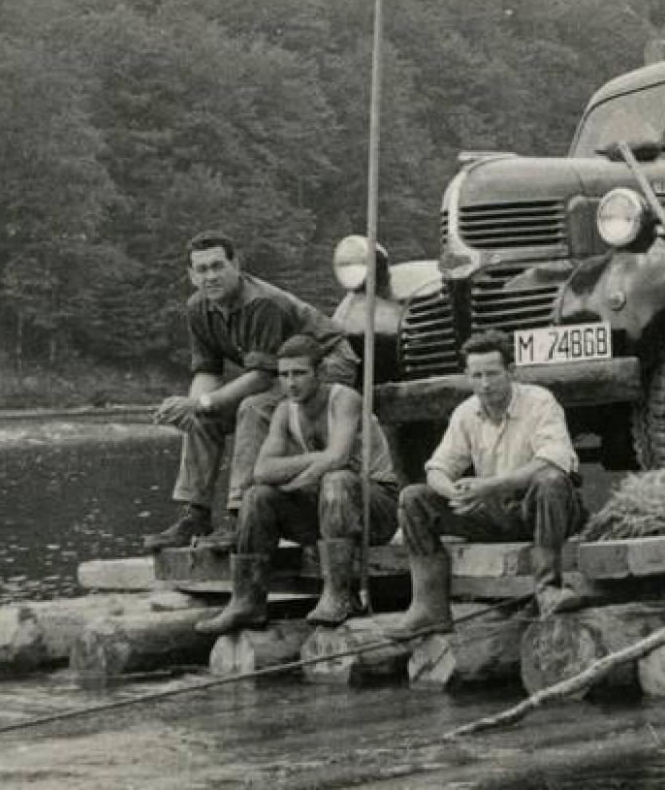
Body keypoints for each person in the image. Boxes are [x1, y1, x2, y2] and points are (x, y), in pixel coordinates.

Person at [144, 232, 358, 553]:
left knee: (254, 408)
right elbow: (207, 371)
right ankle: (195, 513)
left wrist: (201, 402)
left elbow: (259, 378)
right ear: (191, 276)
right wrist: (195, 406)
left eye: (218, 266)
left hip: (327, 364)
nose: (211, 276)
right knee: (203, 417)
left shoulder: (261, 303)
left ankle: (239, 514)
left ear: (236, 265)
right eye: (201, 270)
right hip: (280, 370)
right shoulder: (197, 309)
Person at [196, 334, 399, 635]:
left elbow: (338, 457)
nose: (291, 383)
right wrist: (313, 465)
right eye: (284, 375)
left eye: (300, 373)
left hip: (374, 509)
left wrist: (307, 471)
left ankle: (339, 594)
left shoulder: (344, 399)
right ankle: (248, 601)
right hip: (324, 507)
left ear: (319, 373)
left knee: (337, 479)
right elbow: (262, 470)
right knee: (258, 496)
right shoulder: (283, 410)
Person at [389, 330, 588, 636]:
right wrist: (455, 491)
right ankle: (429, 607)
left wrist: (491, 485)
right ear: (467, 376)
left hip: (546, 509)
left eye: (493, 374)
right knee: (414, 498)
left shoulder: (540, 402)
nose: (485, 383)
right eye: (477, 375)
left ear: (511, 372)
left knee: (550, 480)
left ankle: (548, 589)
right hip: (496, 511)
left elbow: (552, 461)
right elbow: (437, 469)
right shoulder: (465, 412)